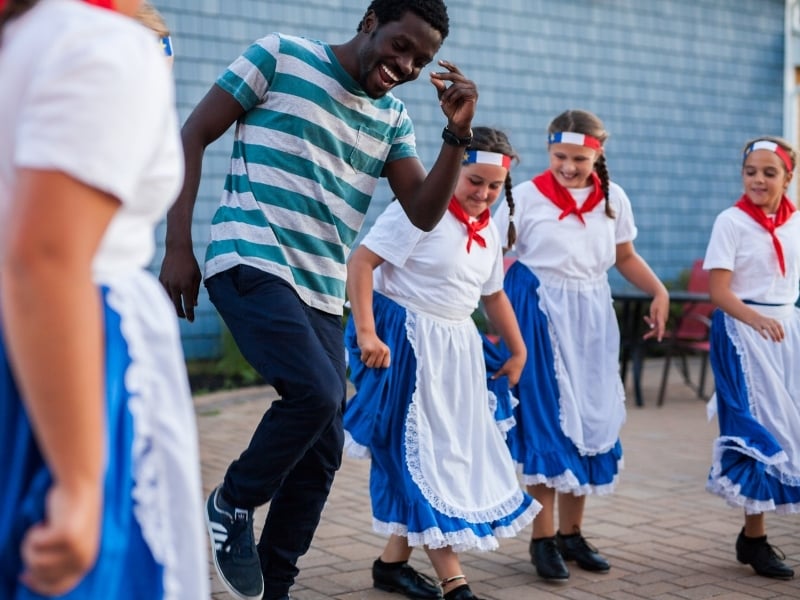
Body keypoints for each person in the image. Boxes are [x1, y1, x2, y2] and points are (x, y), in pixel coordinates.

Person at [157, 1, 478, 598]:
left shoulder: (394, 121)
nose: (405, 65)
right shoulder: (281, 56)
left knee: (324, 440)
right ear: (370, 24)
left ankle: (275, 583)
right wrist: (178, 244)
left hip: (320, 288)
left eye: (421, 61)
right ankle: (232, 502)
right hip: (250, 255)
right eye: (400, 46)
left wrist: (456, 133)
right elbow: (193, 135)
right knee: (318, 393)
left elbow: (424, 212)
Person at [0, 0, 208, 599]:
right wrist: (80, 482)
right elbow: (47, 258)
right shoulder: (100, 46)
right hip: (76, 341)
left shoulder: (32, 34)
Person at [344, 127, 538, 600]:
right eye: (475, 181)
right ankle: (456, 582)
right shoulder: (417, 212)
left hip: (454, 348)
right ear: (453, 170)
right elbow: (361, 264)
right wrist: (367, 332)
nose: (484, 194)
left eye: (494, 186)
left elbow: (492, 295)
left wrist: (518, 349)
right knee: (417, 456)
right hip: (403, 341)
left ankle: (391, 566)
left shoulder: (489, 230)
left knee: (442, 453)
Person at [491, 109, 669, 582]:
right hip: (539, 311)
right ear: (549, 151)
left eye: (579, 158)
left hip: (591, 317)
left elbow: (624, 256)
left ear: (598, 154)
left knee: (589, 418)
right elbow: (488, 258)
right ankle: (542, 538)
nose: (569, 166)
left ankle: (573, 533)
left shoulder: (613, 200)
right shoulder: (523, 198)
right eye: (559, 156)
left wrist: (659, 290)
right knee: (546, 423)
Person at [703, 136, 800, 581]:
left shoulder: (796, 223)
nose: (758, 180)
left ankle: (752, 538)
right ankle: (755, 538)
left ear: (788, 176)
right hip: (743, 331)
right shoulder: (731, 222)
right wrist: (755, 319)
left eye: (769, 172)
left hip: (786, 333)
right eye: (751, 172)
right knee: (757, 430)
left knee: (791, 427)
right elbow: (718, 291)